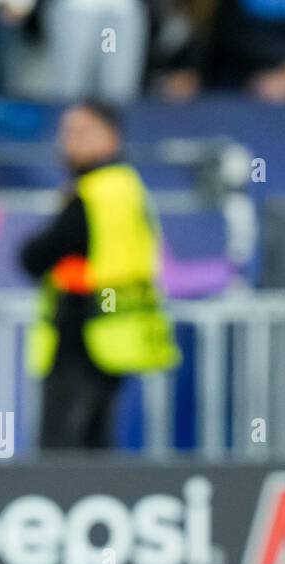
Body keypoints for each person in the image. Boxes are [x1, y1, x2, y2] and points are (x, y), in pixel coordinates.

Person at [19, 101, 177, 450]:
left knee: (64, 445)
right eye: (65, 132)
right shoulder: (128, 186)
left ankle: (65, 503)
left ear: (112, 137)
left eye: (82, 131)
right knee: (96, 440)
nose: (69, 141)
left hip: (84, 333)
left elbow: (38, 254)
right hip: (114, 335)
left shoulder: (96, 191)